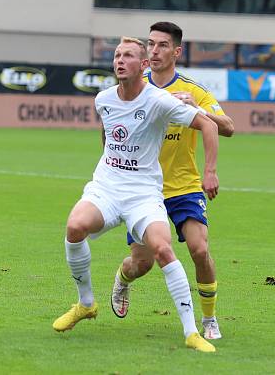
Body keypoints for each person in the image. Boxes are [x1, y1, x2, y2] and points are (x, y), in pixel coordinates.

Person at [52, 37, 220, 353]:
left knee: (162, 248)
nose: (120, 60)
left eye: (128, 55)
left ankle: (191, 331)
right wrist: (110, 166)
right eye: (117, 55)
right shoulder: (103, 99)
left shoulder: (159, 101)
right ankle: (86, 304)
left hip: (143, 193)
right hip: (107, 187)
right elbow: (108, 132)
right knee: (75, 227)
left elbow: (208, 126)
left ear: (143, 65)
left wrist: (209, 171)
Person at [110, 22, 235, 341]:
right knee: (142, 264)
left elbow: (229, 127)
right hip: (143, 189)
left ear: (176, 52)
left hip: (184, 186)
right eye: (150, 44)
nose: (154, 51)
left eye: (162, 45)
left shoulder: (193, 90)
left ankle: (209, 319)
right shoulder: (134, 87)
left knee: (199, 248)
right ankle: (123, 279)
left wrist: (198, 114)